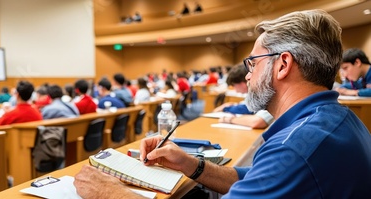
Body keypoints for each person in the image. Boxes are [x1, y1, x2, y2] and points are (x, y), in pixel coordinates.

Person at [74, 10, 371, 198]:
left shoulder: (295, 148)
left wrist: (111, 194)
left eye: (253, 63)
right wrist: (192, 165)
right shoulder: (337, 119)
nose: (250, 74)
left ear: (282, 65)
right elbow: (257, 180)